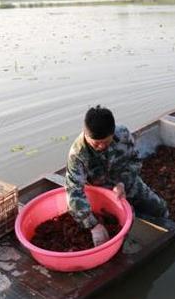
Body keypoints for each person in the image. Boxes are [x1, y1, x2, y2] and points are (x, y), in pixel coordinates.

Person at [65, 105, 169, 246]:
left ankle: (167, 229)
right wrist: (92, 225)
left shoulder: (123, 134)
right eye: (96, 144)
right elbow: (74, 193)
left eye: (106, 142)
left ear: (113, 132)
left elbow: (135, 161)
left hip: (128, 183)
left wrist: (122, 183)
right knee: (124, 228)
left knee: (159, 207)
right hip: (104, 197)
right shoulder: (77, 155)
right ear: (86, 134)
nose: (102, 147)